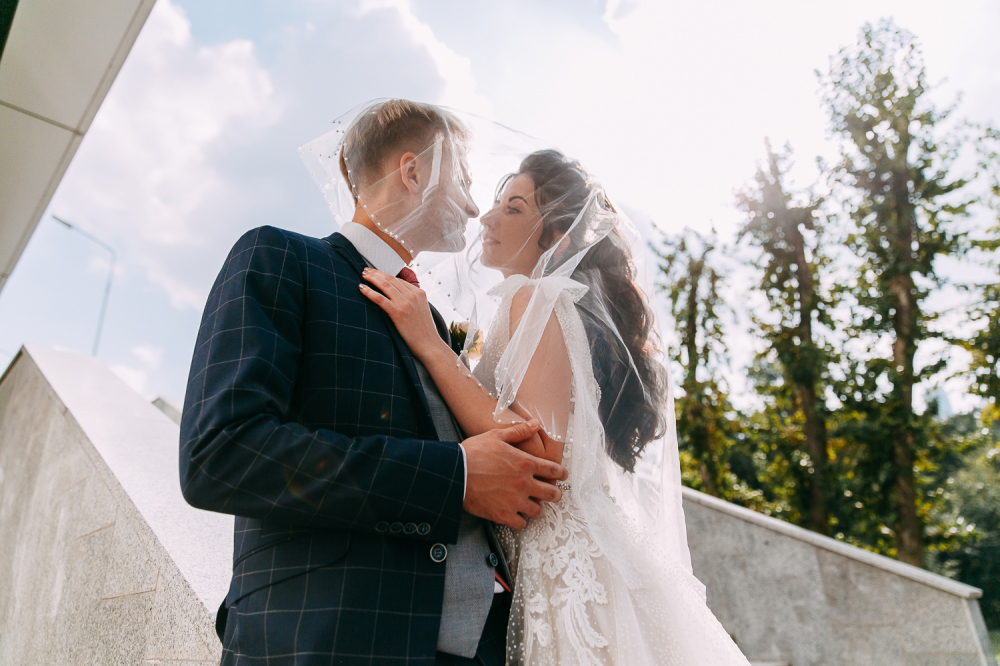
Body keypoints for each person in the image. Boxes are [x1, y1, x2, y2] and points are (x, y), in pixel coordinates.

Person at [179, 100, 568, 666]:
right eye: (463, 179)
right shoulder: (284, 258)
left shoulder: (433, 324)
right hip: (324, 643)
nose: (471, 206)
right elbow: (221, 453)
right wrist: (453, 478)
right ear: (413, 171)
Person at [361, 149, 753, 664]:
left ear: (559, 239)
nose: (487, 217)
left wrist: (432, 348)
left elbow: (541, 449)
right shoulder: (543, 303)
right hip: (575, 554)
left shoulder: (537, 296)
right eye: (497, 203)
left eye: (514, 208)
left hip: (566, 565)